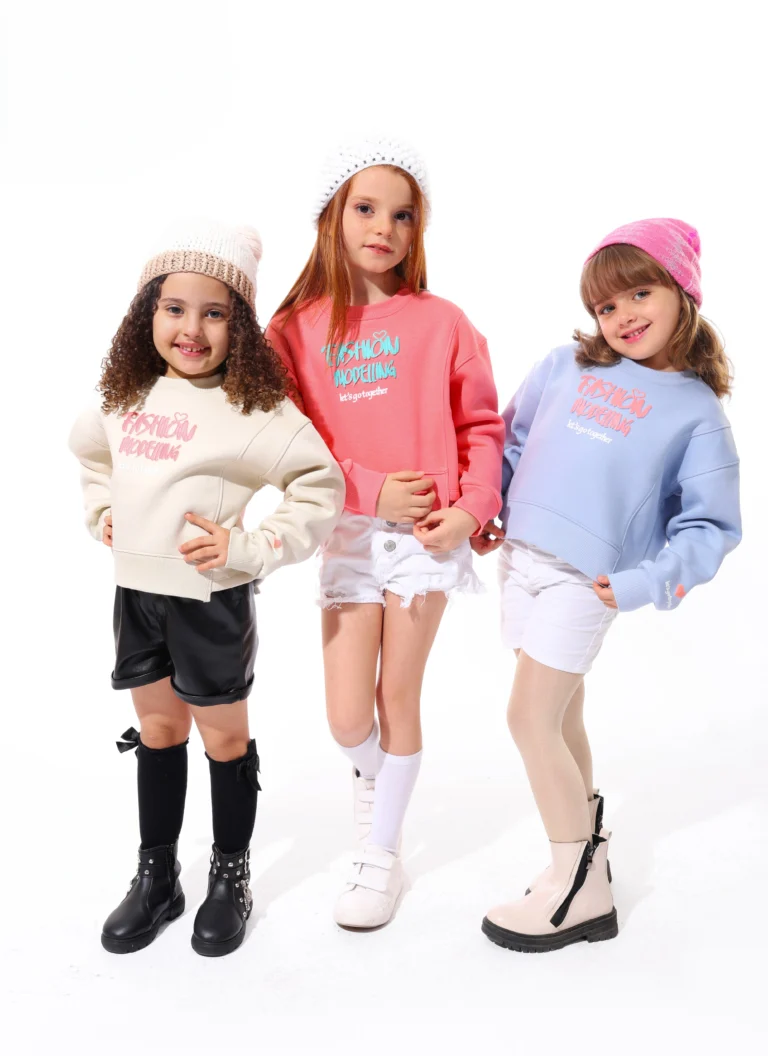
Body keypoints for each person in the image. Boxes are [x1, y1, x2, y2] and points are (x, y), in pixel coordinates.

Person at [69, 221, 344, 956]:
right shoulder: (127, 395)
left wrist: (249, 548)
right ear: (147, 313)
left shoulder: (256, 411)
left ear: (240, 327)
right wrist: (102, 511)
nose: (191, 329)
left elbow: (320, 487)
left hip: (210, 598)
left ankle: (229, 875)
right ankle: (157, 875)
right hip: (136, 593)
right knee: (159, 732)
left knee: (223, 737)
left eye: (214, 313)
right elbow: (92, 457)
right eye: (174, 308)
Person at [475, 218, 741, 952]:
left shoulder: (696, 412)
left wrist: (643, 583)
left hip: (584, 581)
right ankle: (582, 850)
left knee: (528, 718)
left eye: (640, 293)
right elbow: (513, 440)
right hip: (521, 559)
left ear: (682, 292)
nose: (622, 315)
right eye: (606, 305)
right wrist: (487, 507)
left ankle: (580, 887)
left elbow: (711, 527)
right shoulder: (563, 366)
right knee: (561, 716)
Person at [267, 139, 505, 928]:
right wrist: (369, 489)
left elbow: (481, 428)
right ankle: (380, 781)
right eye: (366, 209)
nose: (384, 228)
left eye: (403, 216)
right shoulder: (293, 330)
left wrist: (472, 508)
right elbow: (286, 444)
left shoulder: (443, 322)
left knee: (395, 695)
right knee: (347, 717)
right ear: (332, 216)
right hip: (346, 532)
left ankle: (381, 853)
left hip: (425, 539)